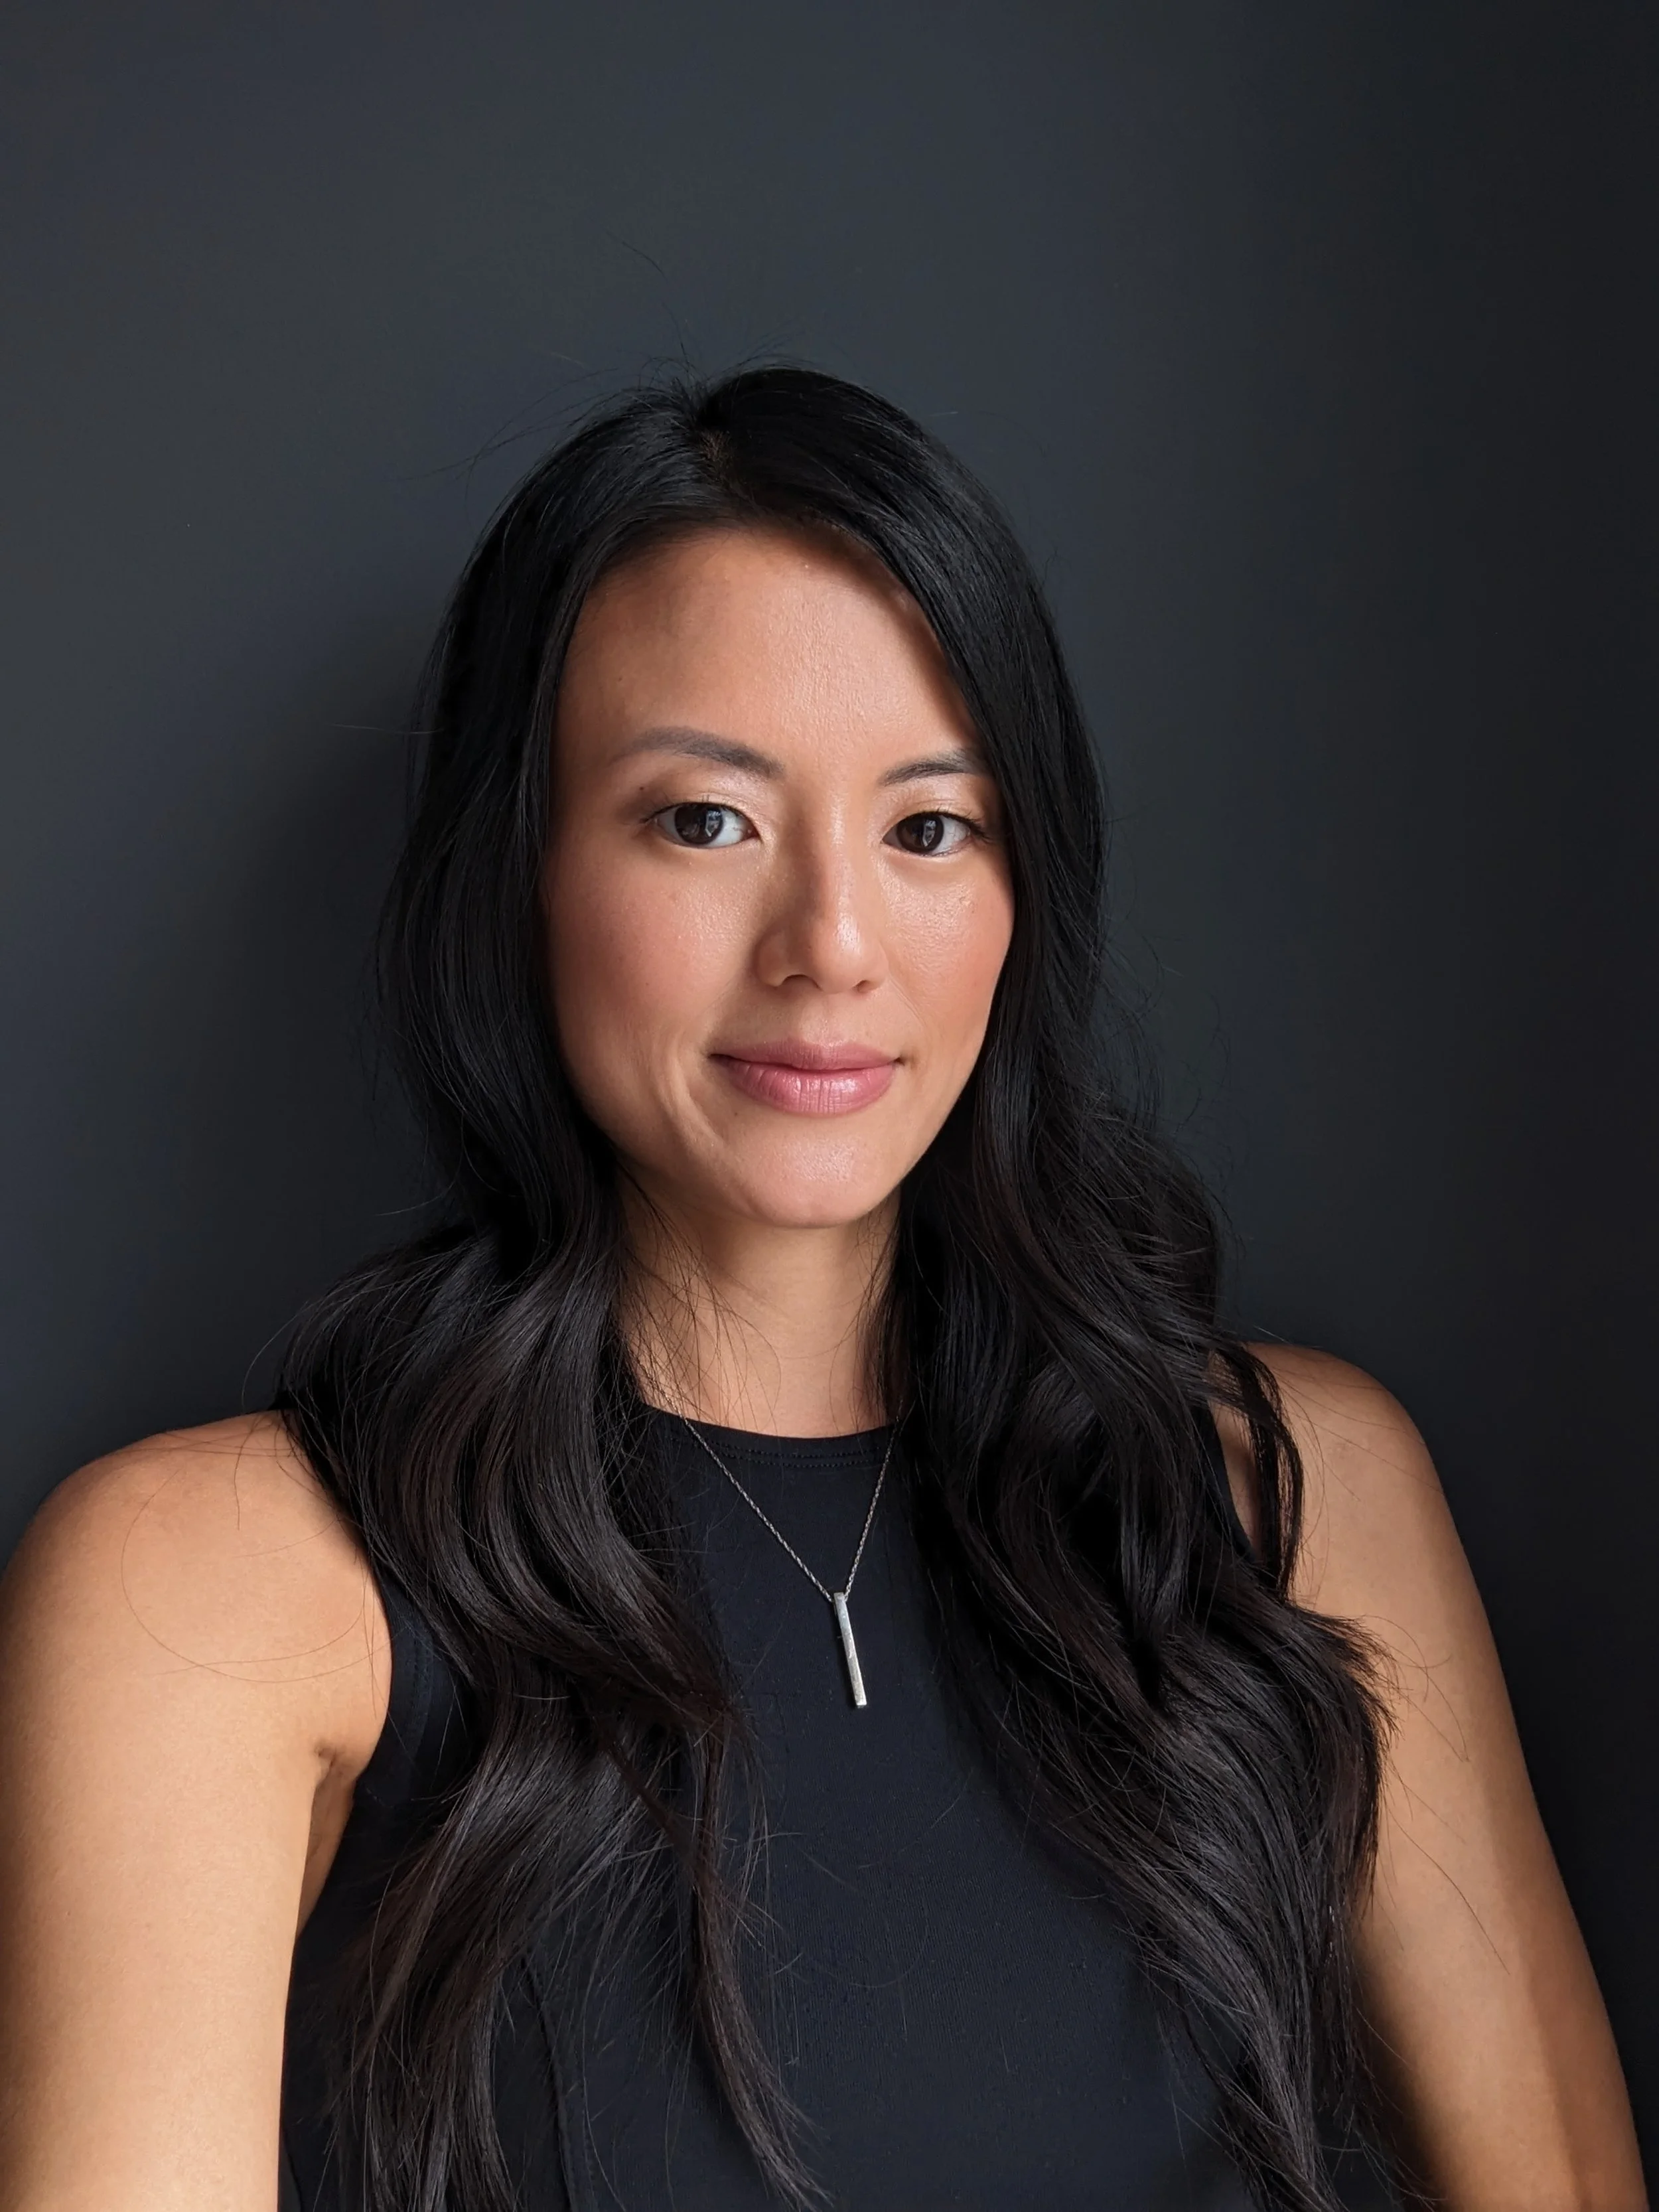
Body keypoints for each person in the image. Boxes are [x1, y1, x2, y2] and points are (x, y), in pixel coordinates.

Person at [0, 368, 1642, 2212]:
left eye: (928, 828)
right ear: (521, 869)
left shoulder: (1285, 1495)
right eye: (703, 820)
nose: (829, 948)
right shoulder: (213, 1583)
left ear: (1022, 898)